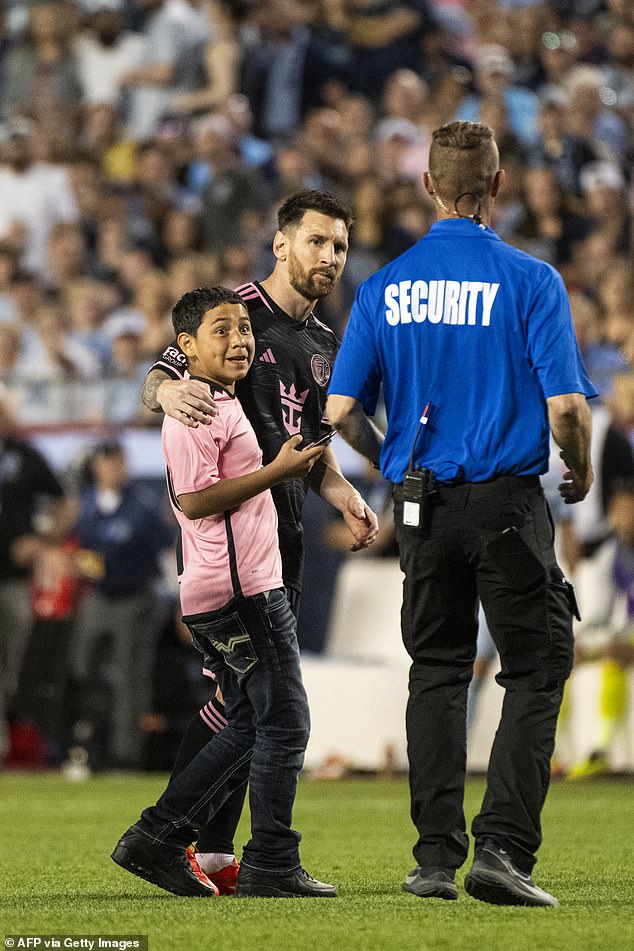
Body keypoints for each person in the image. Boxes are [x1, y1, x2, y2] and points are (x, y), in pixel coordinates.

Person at [327, 121, 597, 907]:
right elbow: (569, 403)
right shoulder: (531, 279)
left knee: (437, 672)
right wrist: (576, 462)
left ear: (428, 188)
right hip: (509, 501)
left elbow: (341, 409)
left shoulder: (385, 285)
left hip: (422, 507)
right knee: (537, 666)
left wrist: (393, 464)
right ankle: (504, 849)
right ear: (499, 186)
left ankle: (434, 861)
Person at [142, 189, 378, 891]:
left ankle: (207, 851)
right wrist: (160, 391)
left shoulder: (323, 343)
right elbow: (161, 371)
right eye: (316, 242)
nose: (329, 257)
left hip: (284, 537)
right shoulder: (237, 315)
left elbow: (309, 440)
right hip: (231, 546)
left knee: (241, 705)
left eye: (339, 246)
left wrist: (342, 488)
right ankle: (183, 840)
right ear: (281, 244)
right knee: (257, 706)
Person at [112, 285, 336, 898]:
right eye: (221, 330)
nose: (239, 340)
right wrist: (276, 472)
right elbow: (192, 502)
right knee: (284, 724)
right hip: (242, 593)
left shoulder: (223, 401)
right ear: (185, 346)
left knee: (248, 722)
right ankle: (263, 860)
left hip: (245, 585)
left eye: (243, 330)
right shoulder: (197, 409)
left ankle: (159, 839)